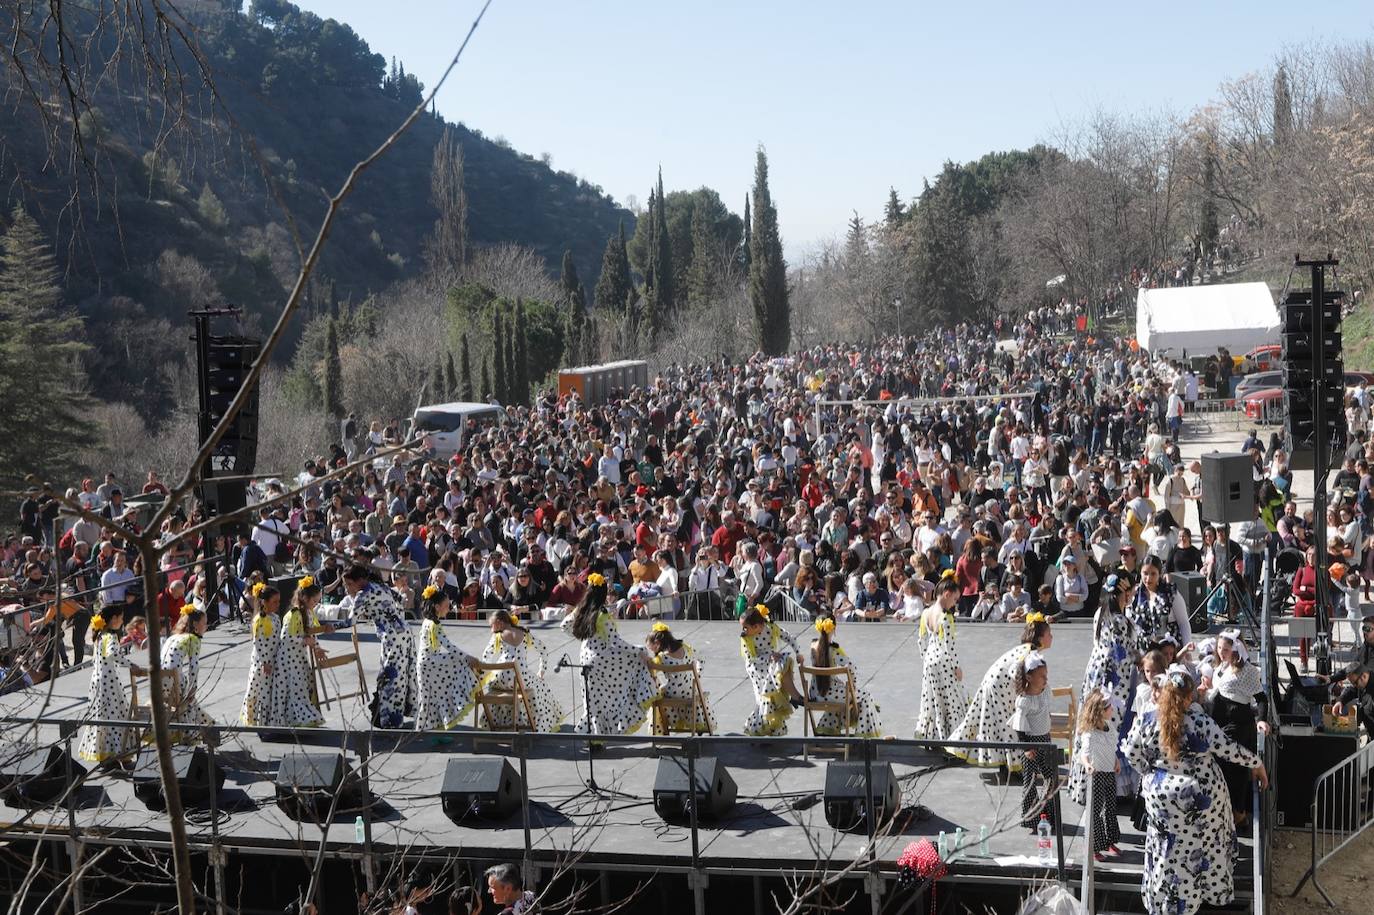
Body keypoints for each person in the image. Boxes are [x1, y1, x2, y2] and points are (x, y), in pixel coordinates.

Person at [1123, 666, 1267, 915]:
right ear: (1189, 697)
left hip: (1163, 800)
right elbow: (1228, 748)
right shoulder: (1199, 722)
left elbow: (1130, 752)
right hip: (1201, 800)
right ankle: (1205, 895)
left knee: (1167, 852)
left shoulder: (1148, 718)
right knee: (1206, 847)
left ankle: (1168, 903)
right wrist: (1257, 763)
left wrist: (1150, 774)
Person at [946, 615, 1053, 769]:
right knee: (1012, 725)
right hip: (999, 688)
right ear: (1041, 638)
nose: (1052, 637)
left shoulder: (1029, 650)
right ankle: (1016, 765)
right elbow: (1015, 670)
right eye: (1049, 634)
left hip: (997, 685)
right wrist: (1024, 694)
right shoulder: (1030, 653)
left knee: (1002, 726)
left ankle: (1010, 763)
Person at [1068, 572, 1137, 806]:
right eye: (1127, 593)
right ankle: (1109, 787)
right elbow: (1123, 655)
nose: (1130, 597)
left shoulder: (1099, 614)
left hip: (1095, 675)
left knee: (1091, 722)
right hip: (1114, 680)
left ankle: (1087, 782)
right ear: (1120, 594)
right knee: (1110, 727)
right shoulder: (1120, 622)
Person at [559, 572, 656, 736]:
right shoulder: (602, 615)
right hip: (601, 660)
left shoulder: (581, 610)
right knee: (636, 660)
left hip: (585, 657)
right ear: (603, 594)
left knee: (592, 701)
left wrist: (583, 638)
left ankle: (595, 736)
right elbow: (616, 642)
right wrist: (639, 651)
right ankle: (645, 694)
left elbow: (564, 625)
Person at [1207, 629, 1269, 826]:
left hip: (1237, 725)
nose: (1221, 652)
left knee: (1235, 771)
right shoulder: (1221, 666)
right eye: (1219, 648)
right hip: (1220, 721)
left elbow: (1261, 699)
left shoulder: (1248, 672)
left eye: (1225, 649)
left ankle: (1239, 814)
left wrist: (1261, 719)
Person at [343, 564, 415, 728]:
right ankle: (397, 714)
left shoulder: (363, 594)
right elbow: (400, 601)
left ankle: (390, 720)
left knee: (390, 678)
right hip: (404, 632)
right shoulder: (381, 586)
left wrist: (330, 626)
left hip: (392, 637)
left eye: (349, 584)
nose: (348, 588)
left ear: (359, 580)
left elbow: (350, 621)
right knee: (401, 676)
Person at [76, 605, 141, 765]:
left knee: (103, 716)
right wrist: (131, 664)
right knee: (115, 715)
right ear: (114, 619)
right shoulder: (110, 636)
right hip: (108, 681)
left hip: (97, 680)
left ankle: (106, 753)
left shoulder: (100, 635)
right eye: (121, 618)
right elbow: (113, 654)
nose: (122, 621)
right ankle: (116, 754)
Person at [480, 610, 564, 731]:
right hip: (521, 678)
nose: (491, 629)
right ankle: (538, 722)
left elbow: (486, 656)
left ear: (499, 623)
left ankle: (498, 721)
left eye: (491, 626)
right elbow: (543, 649)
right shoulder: (525, 634)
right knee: (540, 686)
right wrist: (541, 670)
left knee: (493, 687)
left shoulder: (498, 636)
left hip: (501, 678)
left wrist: (486, 675)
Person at [414, 585, 480, 732]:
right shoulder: (434, 624)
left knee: (433, 696)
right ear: (437, 607)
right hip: (429, 663)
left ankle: (435, 730)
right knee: (457, 661)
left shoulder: (428, 621)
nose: (448, 608)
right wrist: (467, 657)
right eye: (446, 606)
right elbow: (448, 646)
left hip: (426, 663)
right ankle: (464, 691)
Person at [806, 613, 881, 737]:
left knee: (839, 694)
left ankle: (827, 728)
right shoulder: (835, 650)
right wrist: (853, 686)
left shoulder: (812, 646)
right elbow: (851, 668)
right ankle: (863, 735)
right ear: (834, 628)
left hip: (816, 695)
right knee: (866, 697)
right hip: (834, 695)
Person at [739, 603, 804, 737]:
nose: (743, 630)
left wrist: (798, 653)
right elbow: (751, 658)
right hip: (756, 666)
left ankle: (794, 695)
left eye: (746, 627)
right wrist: (769, 656)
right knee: (762, 697)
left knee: (785, 661)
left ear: (757, 626)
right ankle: (760, 728)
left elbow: (790, 638)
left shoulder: (771, 628)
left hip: (771, 663)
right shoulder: (746, 638)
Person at [915, 578, 966, 740]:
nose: (954, 604)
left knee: (932, 698)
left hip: (930, 660)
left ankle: (932, 735)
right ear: (947, 594)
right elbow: (949, 646)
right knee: (951, 699)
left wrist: (925, 658)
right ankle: (952, 736)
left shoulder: (925, 613)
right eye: (955, 599)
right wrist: (956, 667)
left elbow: (921, 640)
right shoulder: (945, 617)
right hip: (943, 661)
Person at [1010, 649, 1056, 829]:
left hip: (1045, 739)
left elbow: (1046, 712)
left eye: (1046, 675)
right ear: (1029, 678)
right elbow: (1020, 727)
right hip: (1030, 744)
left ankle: (1047, 812)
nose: (1045, 679)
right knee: (1029, 781)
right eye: (1042, 676)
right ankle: (1031, 817)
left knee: (1050, 777)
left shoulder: (1044, 693)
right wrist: (1026, 748)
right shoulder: (1024, 700)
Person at [645, 622, 716, 733]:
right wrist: (697, 675)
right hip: (690, 691)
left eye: (652, 648)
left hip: (672, 692)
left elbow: (650, 672)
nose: (652, 651)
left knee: (658, 695)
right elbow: (701, 659)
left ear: (658, 643)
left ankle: (662, 728)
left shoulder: (661, 657)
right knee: (695, 691)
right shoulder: (686, 648)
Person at [1077, 687, 1122, 860]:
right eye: (1109, 707)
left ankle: (1110, 840)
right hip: (1097, 774)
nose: (1112, 709)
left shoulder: (1109, 727)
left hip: (1109, 772)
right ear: (1100, 711)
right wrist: (1087, 764)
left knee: (1110, 808)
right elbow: (1084, 753)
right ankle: (1093, 846)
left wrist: (1116, 760)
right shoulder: (1090, 733)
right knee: (1095, 811)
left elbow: (1111, 748)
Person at [279, 576, 326, 728]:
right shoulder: (295, 614)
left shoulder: (308, 613)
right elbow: (286, 637)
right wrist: (305, 641)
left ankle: (303, 715)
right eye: (314, 601)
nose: (316, 604)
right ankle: (296, 718)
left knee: (302, 686)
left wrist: (317, 648)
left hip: (299, 656)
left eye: (318, 601)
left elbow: (311, 633)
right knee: (295, 687)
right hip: (289, 658)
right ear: (304, 598)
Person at [162, 606, 215, 735]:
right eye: (204, 623)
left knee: (191, 703)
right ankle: (197, 733)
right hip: (173, 680)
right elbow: (194, 666)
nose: (206, 626)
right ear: (196, 625)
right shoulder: (193, 639)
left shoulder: (172, 638)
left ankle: (210, 726)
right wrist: (193, 688)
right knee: (189, 702)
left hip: (158, 681)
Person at [240, 583, 283, 726]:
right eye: (274, 602)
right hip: (262, 662)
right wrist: (265, 662)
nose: (277, 604)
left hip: (273, 658)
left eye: (278, 601)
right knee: (259, 690)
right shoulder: (260, 620)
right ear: (264, 602)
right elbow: (259, 643)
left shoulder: (275, 617)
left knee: (269, 690)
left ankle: (269, 719)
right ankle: (257, 720)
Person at [1128, 557, 1191, 654]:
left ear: (1160, 574)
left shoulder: (1171, 593)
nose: (1148, 578)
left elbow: (1184, 623)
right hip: (1145, 652)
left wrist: (1186, 651)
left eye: (1153, 574)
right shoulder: (1135, 595)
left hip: (1169, 652)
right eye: (1145, 573)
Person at [1290, 546, 1319, 670]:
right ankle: (1304, 661)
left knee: (1317, 634)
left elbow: (1321, 591)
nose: (1311, 557)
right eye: (1309, 555)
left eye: (1313, 555)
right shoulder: (1301, 570)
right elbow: (1295, 590)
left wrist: (1305, 589)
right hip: (1301, 606)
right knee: (1302, 635)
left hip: (1315, 606)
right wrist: (1309, 591)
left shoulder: (1322, 571)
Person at [1331, 662, 1373, 739]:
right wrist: (1340, 701)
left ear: (1363, 676)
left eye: (1355, 683)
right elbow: (1352, 690)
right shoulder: (1362, 682)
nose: (1354, 686)